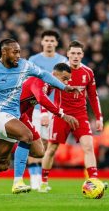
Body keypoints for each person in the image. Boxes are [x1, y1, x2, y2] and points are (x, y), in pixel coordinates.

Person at [0, 38, 78, 196]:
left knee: (1, 158)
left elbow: (44, 74)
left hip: (15, 116)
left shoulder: (25, 65)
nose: (18, 55)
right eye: (15, 52)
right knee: (26, 136)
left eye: (19, 51)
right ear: (4, 52)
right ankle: (18, 182)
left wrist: (65, 87)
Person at [0, 63, 79, 192]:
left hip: (21, 117)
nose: (66, 82)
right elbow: (41, 98)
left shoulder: (50, 87)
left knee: (39, 152)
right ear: (54, 75)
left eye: (68, 80)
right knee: (3, 163)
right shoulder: (40, 80)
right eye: (64, 78)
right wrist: (62, 115)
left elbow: (29, 105)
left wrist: (29, 125)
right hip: (5, 116)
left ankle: (18, 158)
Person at [40, 40, 104, 192]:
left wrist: (99, 117)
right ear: (67, 54)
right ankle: (43, 182)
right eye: (73, 53)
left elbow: (93, 96)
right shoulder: (59, 71)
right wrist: (44, 113)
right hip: (61, 115)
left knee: (88, 146)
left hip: (80, 115)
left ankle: (93, 180)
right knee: (52, 149)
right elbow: (44, 93)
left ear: (82, 55)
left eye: (78, 53)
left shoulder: (88, 72)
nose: (75, 56)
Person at [27, 30, 67, 189]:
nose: (49, 43)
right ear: (42, 42)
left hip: (54, 108)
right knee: (33, 142)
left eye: (52, 40)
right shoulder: (33, 60)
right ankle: (34, 179)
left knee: (48, 145)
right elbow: (32, 85)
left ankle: (42, 180)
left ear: (56, 43)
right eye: (47, 40)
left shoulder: (63, 61)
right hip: (35, 108)